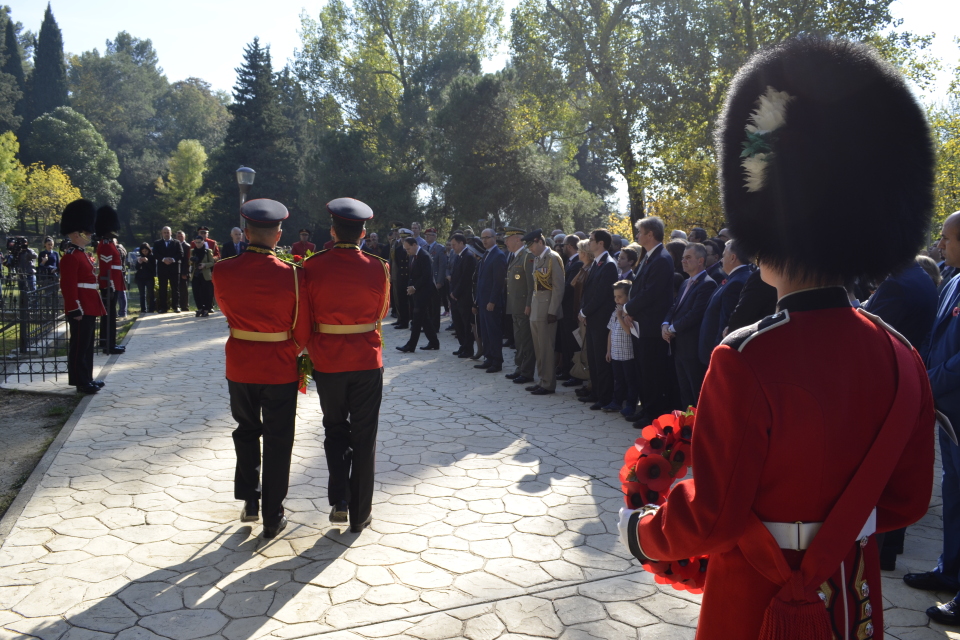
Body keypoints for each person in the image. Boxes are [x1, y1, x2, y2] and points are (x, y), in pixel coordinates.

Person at [621, 37, 936, 639]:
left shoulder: (745, 357)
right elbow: (908, 501)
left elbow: (712, 516)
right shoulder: (900, 355)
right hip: (847, 595)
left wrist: (642, 533)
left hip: (758, 600)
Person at [213, 198, 311, 540]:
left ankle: (250, 501)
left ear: (247, 232)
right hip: (279, 366)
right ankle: (273, 513)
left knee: (245, 430)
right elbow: (302, 329)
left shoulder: (222, 269)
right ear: (279, 234)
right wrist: (289, 348)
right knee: (278, 438)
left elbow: (226, 310)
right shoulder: (293, 275)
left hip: (240, 363)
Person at [304, 198, 390, 533]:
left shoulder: (312, 265)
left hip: (328, 360)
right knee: (365, 437)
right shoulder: (378, 266)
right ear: (363, 233)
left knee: (335, 428)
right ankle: (360, 513)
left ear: (332, 231)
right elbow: (382, 312)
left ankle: (339, 500)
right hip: (367, 359)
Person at [902, 210, 960, 621]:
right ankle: (950, 571)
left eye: (947, 238)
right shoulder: (952, 280)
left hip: (953, 400)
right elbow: (932, 335)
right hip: (947, 412)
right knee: (954, 494)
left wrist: (930, 380)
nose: (940, 245)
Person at [623, 216, 674, 425]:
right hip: (641, 323)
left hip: (652, 325)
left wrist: (628, 307)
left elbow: (650, 293)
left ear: (650, 234)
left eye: (640, 232)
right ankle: (646, 409)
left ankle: (653, 414)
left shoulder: (662, 258)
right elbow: (638, 287)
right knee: (643, 369)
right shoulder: (649, 256)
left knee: (652, 371)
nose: (637, 236)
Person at [59, 199, 106, 395]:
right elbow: (68, 286)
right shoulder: (70, 256)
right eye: (87, 233)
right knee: (79, 346)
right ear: (77, 234)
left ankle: (87, 377)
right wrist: (74, 308)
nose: (90, 235)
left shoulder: (81, 254)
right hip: (80, 306)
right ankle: (80, 381)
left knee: (87, 345)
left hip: (89, 303)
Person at [662, 243, 717, 409]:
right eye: (683, 257)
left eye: (688, 258)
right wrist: (665, 323)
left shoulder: (708, 284)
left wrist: (672, 329)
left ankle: (697, 430)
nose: (683, 261)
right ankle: (686, 430)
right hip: (679, 346)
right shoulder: (686, 282)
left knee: (695, 392)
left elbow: (695, 314)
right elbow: (675, 307)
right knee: (684, 391)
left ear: (700, 260)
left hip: (692, 348)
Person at [579, 229, 619, 410]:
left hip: (601, 320)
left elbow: (601, 295)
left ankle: (604, 397)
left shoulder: (609, 264)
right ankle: (596, 392)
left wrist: (585, 312)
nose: (589, 242)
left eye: (591, 239)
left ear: (601, 243)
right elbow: (589, 292)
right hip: (593, 319)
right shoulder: (597, 263)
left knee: (601, 361)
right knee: (593, 359)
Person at [698, 239, 754, 367]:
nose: (721, 260)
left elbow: (726, 322)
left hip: (716, 353)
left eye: (723, 256)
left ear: (733, 257)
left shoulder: (737, 282)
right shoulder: (733, 278)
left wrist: (718, 353)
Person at [524, 229, 565, 395]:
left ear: (540, 241)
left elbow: (558, 287)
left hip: (547, 309)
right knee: (539, 348)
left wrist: (553, 310)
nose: (531, 249)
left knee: (547, 348)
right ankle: (542, 379)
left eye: (532, 245)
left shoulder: (553, 258)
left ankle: (548, 383)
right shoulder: (538, 258)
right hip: (537, 308)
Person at [503, 227, 536, 385]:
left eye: (508, 239)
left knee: (526, 340)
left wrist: (529, 305)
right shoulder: (515, 256)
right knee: (519, 339)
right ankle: (520, 367)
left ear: (517, 239)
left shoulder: (527, 256)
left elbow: (531, 285)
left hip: (523, 306)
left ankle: (527, 371)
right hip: (515, 305)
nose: (505, 242)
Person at [472, 228, 507, 372]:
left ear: (494, 238)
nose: (484, 240)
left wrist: (492, 301)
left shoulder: (498, 255)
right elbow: (481, 281)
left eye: (487, 237)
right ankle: (488, 358)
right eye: (482, 238)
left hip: (491, 303)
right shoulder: (486, 254)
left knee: (493, 332)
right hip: (483, 301)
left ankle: (497, 361)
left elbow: (498, 282)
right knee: (485, 332)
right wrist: (477, 301)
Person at [397, 237, 440, 352]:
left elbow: (426, 276)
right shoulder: (413, 256)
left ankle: (411, 345)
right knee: (424, 318)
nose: (407, 251)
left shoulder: (424, 256)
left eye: (408, 248)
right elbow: (412, 275)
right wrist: (410, 287)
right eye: (405, 249)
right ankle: (434, 342)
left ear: (415, 244)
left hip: (425, 292)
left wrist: (414, 287)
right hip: (417, 292)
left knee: (416, 319)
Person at [603, 280, 639, 415]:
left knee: (630, 380)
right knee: (618, 379)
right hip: (616, 352)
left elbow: (628, 331)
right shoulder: (614, 313)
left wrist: (620, 316)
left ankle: (630, 404)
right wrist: (608, 350)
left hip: (628, 354)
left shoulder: (629, 314)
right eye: (615, 297)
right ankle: (616, 402)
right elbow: (610, 332)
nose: (617, 300)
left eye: (620, 296)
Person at [94, 207, 126, 355]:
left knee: (110, 315)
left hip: (114, 281)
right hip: (109, 283)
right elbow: (106, 268)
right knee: (109, 315)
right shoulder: (106, 244)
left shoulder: (109, 243)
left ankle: (109, 342)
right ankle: (108, 344)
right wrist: (110, 285)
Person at [559, 235, 584, 385]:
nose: (561, 248)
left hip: (570, 309)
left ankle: (575, 373)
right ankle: (567, 370)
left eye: (563, 245)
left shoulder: (577, 264)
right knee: (565, 342)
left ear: (569, 246)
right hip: (565, 309)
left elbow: (569, 287)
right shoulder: (570, 262)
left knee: (572, 342)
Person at [449, 233, 477, 358]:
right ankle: (462, 346)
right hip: (456, 297)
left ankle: (468, 349)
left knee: (466, 325)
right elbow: (454, 277)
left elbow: (465, 279)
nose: (452, 247)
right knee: (458, 324)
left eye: (454, 245)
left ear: (461, 243)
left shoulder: (468, 257)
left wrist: (456, 293)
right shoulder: (458, 256)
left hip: (464, 298)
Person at [424, 228, 446, 333]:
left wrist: (440, 281)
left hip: (435, 280)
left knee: (435, 306)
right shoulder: (423, 247)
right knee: (427, 305)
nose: (428, 237)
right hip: (426, 281)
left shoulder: (440, 248)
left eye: (430, 235)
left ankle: (435, 326)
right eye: (426, 235)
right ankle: (428, 326)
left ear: (435, 236)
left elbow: (442, 266)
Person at [391, 228, 412, 329]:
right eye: (402, 238)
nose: (403, 240)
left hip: (410, 277)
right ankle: (403, 321)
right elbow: (398, 264)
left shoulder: (412, 249)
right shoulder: (398, 250)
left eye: (406, 238)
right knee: (401, 301)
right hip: (401, 277)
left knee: (411, 302)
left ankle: (412, 321)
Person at [190, 235, 216, 317]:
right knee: (196, 292)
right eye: (196, 242)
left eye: (199, 242)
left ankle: (206, 309)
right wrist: (192, 261)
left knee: (206, 292)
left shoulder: (208, 251)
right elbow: (189, 262)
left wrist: (204, 265)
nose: (197, 244)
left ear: (203, 242)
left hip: (205, 274)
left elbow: (212, 262)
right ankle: (200, 308)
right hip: (196, 274)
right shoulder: (193, 251)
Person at [134, 243, 156, 313]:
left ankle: (151, 309)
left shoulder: (152, 257)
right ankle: (143, 309)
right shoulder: (140, 257)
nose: (144, 253)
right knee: (142, 294)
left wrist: (147, 261)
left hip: (149, 278)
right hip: (140, 278)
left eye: (146, 251)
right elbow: (137, 268)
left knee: (151, 294)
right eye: (143, 251)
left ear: (148, 250)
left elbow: (153, 269)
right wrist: (139, 262)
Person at [175, 231, 192, 312]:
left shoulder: (187, 246)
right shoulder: (174, 245)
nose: (179, 237)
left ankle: (185, 306)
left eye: (181, 236)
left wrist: (185, 272)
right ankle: (177, 305)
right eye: (178, 236)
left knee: (184, 289)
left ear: (184, 237)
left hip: (184, 271)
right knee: (177, 289)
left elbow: (187, 261)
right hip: (176, 271)